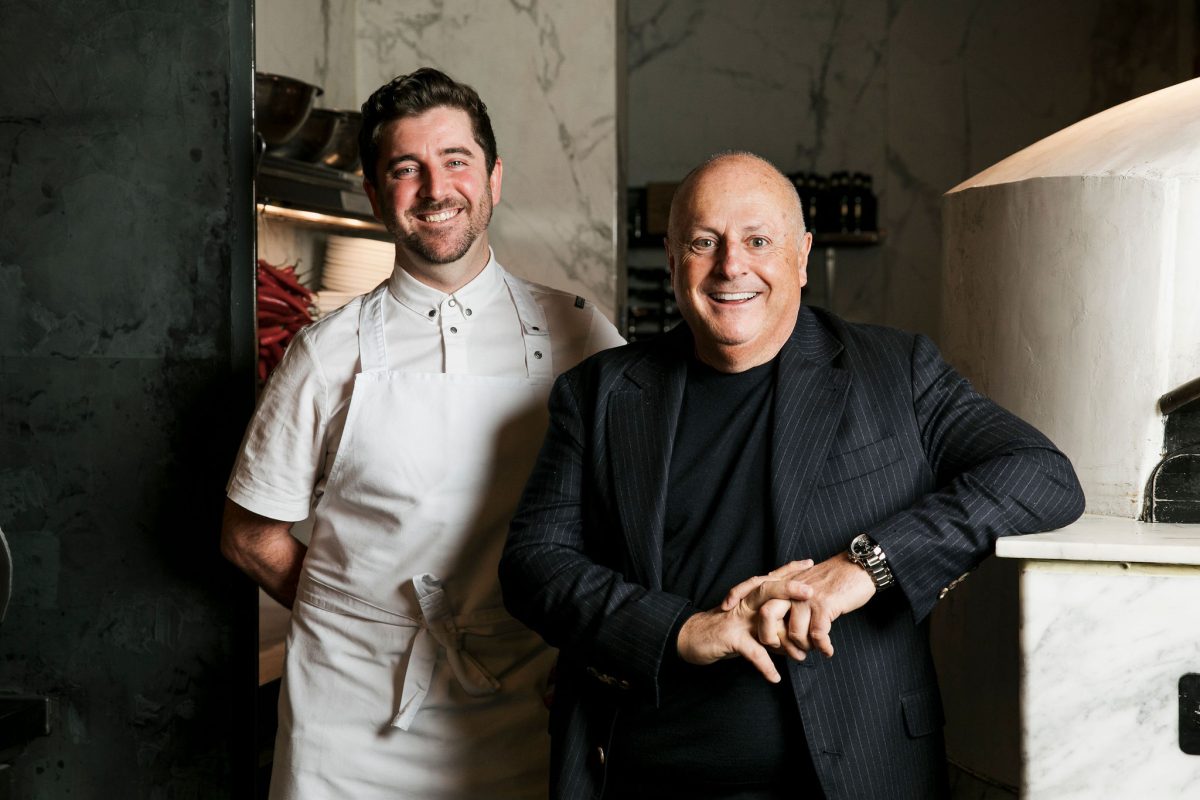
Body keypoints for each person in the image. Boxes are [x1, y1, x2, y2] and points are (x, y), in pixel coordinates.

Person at [499, 152, 1085, 799]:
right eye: (704, 242)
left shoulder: (898, 372)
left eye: (757, 240)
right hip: (643, 777)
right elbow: (533, 563)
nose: (731, 266)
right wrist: (681, 631)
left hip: (856, 778)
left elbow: (1041, 475)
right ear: (671, 257)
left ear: (802, 256)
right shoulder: (599, 393)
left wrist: (865, 566)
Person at [221, 68, 624, 799]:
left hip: (523, 703)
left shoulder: (577, 329)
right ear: (377, 197)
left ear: (494, 179)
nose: (435, 189)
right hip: (352, 718)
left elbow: (632, 508)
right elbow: (251, 534)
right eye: (406, 170)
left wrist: (591, 649)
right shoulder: (327, 352)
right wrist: (358, 618)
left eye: (456, 162)